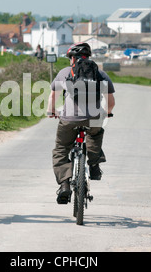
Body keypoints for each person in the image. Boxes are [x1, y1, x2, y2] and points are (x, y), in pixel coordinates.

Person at [47, 42, 115, 204]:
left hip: (69, 119)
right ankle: (94, 164)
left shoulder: (64, 73)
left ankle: (64, 185)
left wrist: (52, 111)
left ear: (72, 58)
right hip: (94, 118)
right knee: (95, 134)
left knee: (61, 149)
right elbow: (110, 101)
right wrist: (107, 112)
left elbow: (53, 97)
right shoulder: (100, 74)